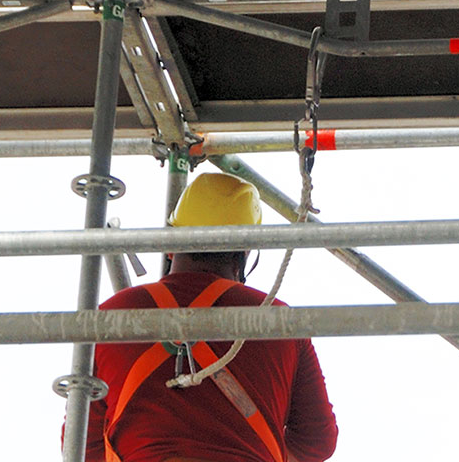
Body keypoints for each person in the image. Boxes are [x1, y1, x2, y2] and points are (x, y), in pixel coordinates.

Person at [80, 172, 338, 462]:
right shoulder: (277, 321)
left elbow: (83, 447)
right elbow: (317, 443)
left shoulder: (114, 315)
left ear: (169, 244)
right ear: (244, 252)